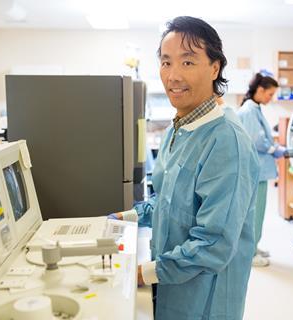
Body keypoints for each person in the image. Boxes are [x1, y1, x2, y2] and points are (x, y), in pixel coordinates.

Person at [110, 16, 259, 320]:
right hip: (172, 282)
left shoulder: (226, 140)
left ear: (215, 68)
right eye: (166, 63)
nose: (173, 75)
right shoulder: (178, 128)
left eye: (187, 63)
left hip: (206, 296)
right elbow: (166, 203)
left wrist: (144, 272)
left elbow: (214, 244)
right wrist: (122, 219)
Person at [237, 72, 286, 267]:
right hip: (254, 172)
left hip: (258, 172)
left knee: (256, 212)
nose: (270, 98)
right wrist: (274, 149)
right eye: (269, 94)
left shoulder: (254, 108)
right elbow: (256, 140)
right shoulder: (249, 111)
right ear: (259, 90)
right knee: (254, 213)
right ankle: (249, 254)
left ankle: (253, 247)